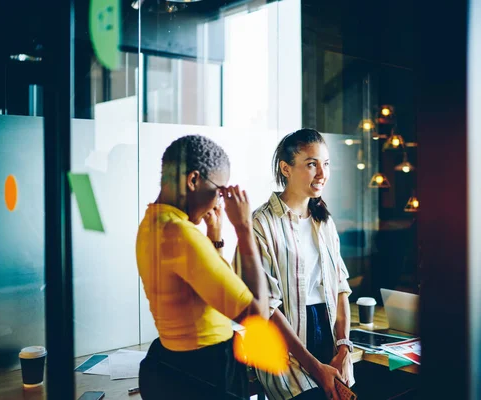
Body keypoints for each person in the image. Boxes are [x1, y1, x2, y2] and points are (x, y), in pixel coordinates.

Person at [136, 135, 269, 399]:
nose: (219, 201)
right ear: (193, 180)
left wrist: (215, 235)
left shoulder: (153, 223)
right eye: (219, 191)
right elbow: (258, 315)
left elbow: (204, 291)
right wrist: (244, 229)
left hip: (177, 363)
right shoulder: (180, 234)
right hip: (206, 370)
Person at [235, 129, 354, 400]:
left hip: (330, 340)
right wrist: (315, 367)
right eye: (311, 164)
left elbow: (340, 288)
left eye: (325, 164)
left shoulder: (324, 221)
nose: (322, 174)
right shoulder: (261, 223)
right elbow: (268, 307)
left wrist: (344, 348)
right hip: (286, 348)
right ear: (285, 169)